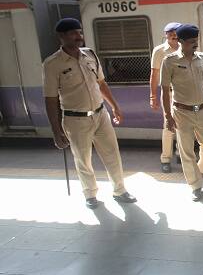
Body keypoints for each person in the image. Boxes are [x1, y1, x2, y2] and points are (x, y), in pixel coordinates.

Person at [42, 18, 137, 209]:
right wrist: (56, 131)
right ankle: (90, 195)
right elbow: (50, 99)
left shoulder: (90, 54)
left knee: (112, 154)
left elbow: (101, 83)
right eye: (73, 33)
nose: (79, 37)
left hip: (101, 115)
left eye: (79, 32)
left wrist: (114, 106)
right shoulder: (52, 64)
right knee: (83, 158)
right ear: (61, 37)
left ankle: (120, 190)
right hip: (75, 119)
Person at [160, 24, 203, 201]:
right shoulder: (169, 61)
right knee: (186, 151)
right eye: (192, 41)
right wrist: (167, 116)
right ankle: (195, 186)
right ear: (181, 41)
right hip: (181, 112)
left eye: (196, 41)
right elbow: (164, 90)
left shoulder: (202, 58)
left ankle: (202, 170)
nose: (196, 44)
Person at [150, 22, 181, 172]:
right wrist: (153, 96)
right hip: (167, 93)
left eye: (176, 32)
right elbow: (154, 74)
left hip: (184, 93)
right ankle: (165, 159)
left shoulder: (186, 47)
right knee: (168, 126)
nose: (174, 35)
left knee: (184, 126)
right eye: (171, 33)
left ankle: (181, 153)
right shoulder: (159, 51)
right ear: (166, 35)